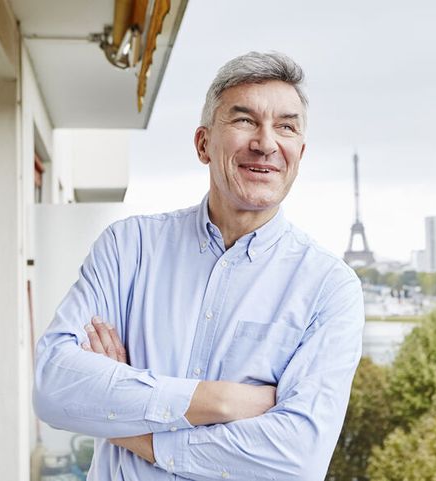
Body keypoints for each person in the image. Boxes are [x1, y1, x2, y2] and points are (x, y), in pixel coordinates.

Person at [33, 51, 365, 481]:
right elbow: (54, 386)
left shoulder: (329, 288)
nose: (266, 142)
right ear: (203, 144)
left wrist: (125, 421)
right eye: (244, 120)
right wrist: (221, 401)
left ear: (300, 151)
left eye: (285, 126)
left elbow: (297, 458)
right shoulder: (127, 248)